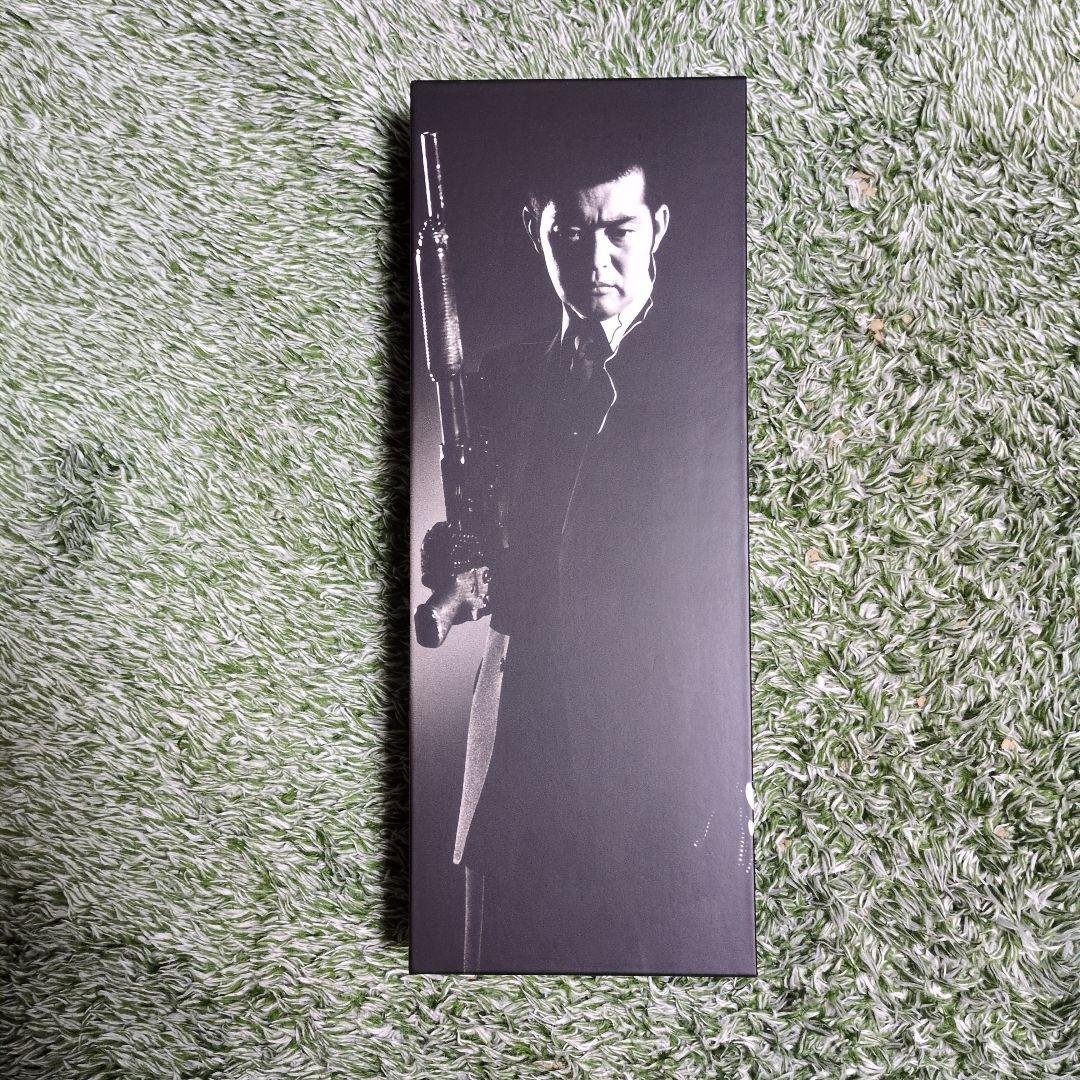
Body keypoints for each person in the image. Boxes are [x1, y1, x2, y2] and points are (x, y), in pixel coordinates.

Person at [427, 131, 755, 974]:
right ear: (532, 227)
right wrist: (458, 563)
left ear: (660, 226)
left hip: (665, 775)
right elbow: (487, 542)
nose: (594, 259)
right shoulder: (500, 381)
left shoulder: (726, 370)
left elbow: (739, 590)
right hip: (522, 769)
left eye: (619, 231)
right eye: (569, 235)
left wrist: (729, 773)